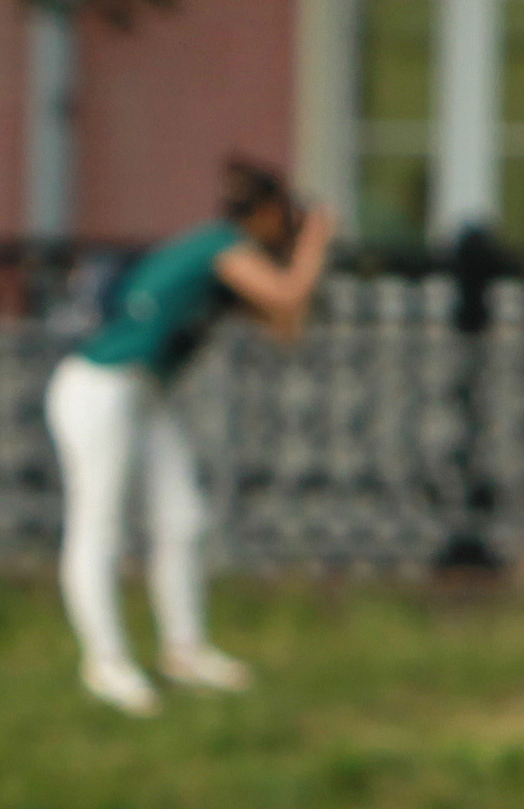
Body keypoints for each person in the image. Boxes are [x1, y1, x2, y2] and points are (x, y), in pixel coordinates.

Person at [45, 158, 332, 715]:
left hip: (144, 395)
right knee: (99, 525)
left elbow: (288, 328)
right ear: (267, 213)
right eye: (286, 218)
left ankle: (185, 651)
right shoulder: (221, 246)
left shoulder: (228, 265)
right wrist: (315, 242)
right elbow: (287, 297)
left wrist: (301, 260)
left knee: (183, 519)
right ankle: (105, 664)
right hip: (99, 389)